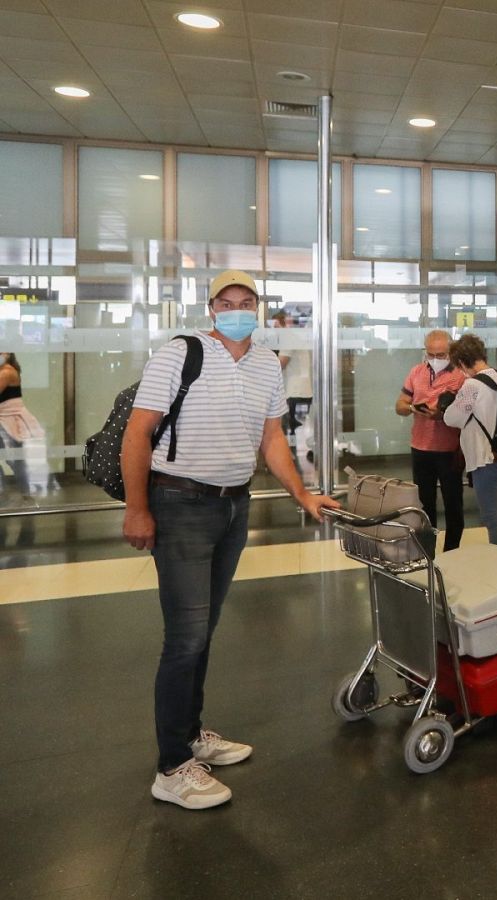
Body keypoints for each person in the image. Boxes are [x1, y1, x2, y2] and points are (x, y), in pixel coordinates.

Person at [121, 270, 339, 811]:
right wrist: (137, 508)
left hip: (233, 505)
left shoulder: (267, 362)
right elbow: (138, 431)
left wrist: (303, 494)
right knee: (185, 637)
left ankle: (191, 734)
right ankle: (171, 766)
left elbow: (272, 440)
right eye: (227, 301)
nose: (237, 309)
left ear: (258, 308)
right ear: (211, 308)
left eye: (247, 302)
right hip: (180, 503)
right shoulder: (182, 352)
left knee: (204, 628)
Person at [396, 330, 467, 554]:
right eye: (431, 354)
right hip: (421, 448)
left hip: (449, 449)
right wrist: (412, 407)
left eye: (441, 354)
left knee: (453, 503)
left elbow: (466, 412)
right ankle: (428, 552)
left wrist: (443, 413)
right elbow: (399, 405)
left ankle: (452, 552)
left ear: (451, 352)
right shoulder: (416, 372)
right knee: (424, 506)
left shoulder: (461, 376)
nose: (436, 359)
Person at [441, 333, 497, 547]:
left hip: (484, 456)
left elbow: (452, 418)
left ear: (462, 362)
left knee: (490, 514)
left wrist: (449, 405)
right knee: (493, 509)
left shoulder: (472, 386)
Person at [0, 351, 48, 497]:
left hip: (10, 420)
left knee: (16, 459)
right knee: (15, 459)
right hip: (5, 419)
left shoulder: (7, 371)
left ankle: (26, 492)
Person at [270, 311, 312, 438]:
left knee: (290, 431)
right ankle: (293, 454)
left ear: (284, 325)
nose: (275, 331)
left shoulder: (288, 338)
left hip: (295, 392)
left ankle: (291, 455)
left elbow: (281, 364)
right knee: (295, 431)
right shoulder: (295, 337)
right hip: (301, 391)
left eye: (276, 327)